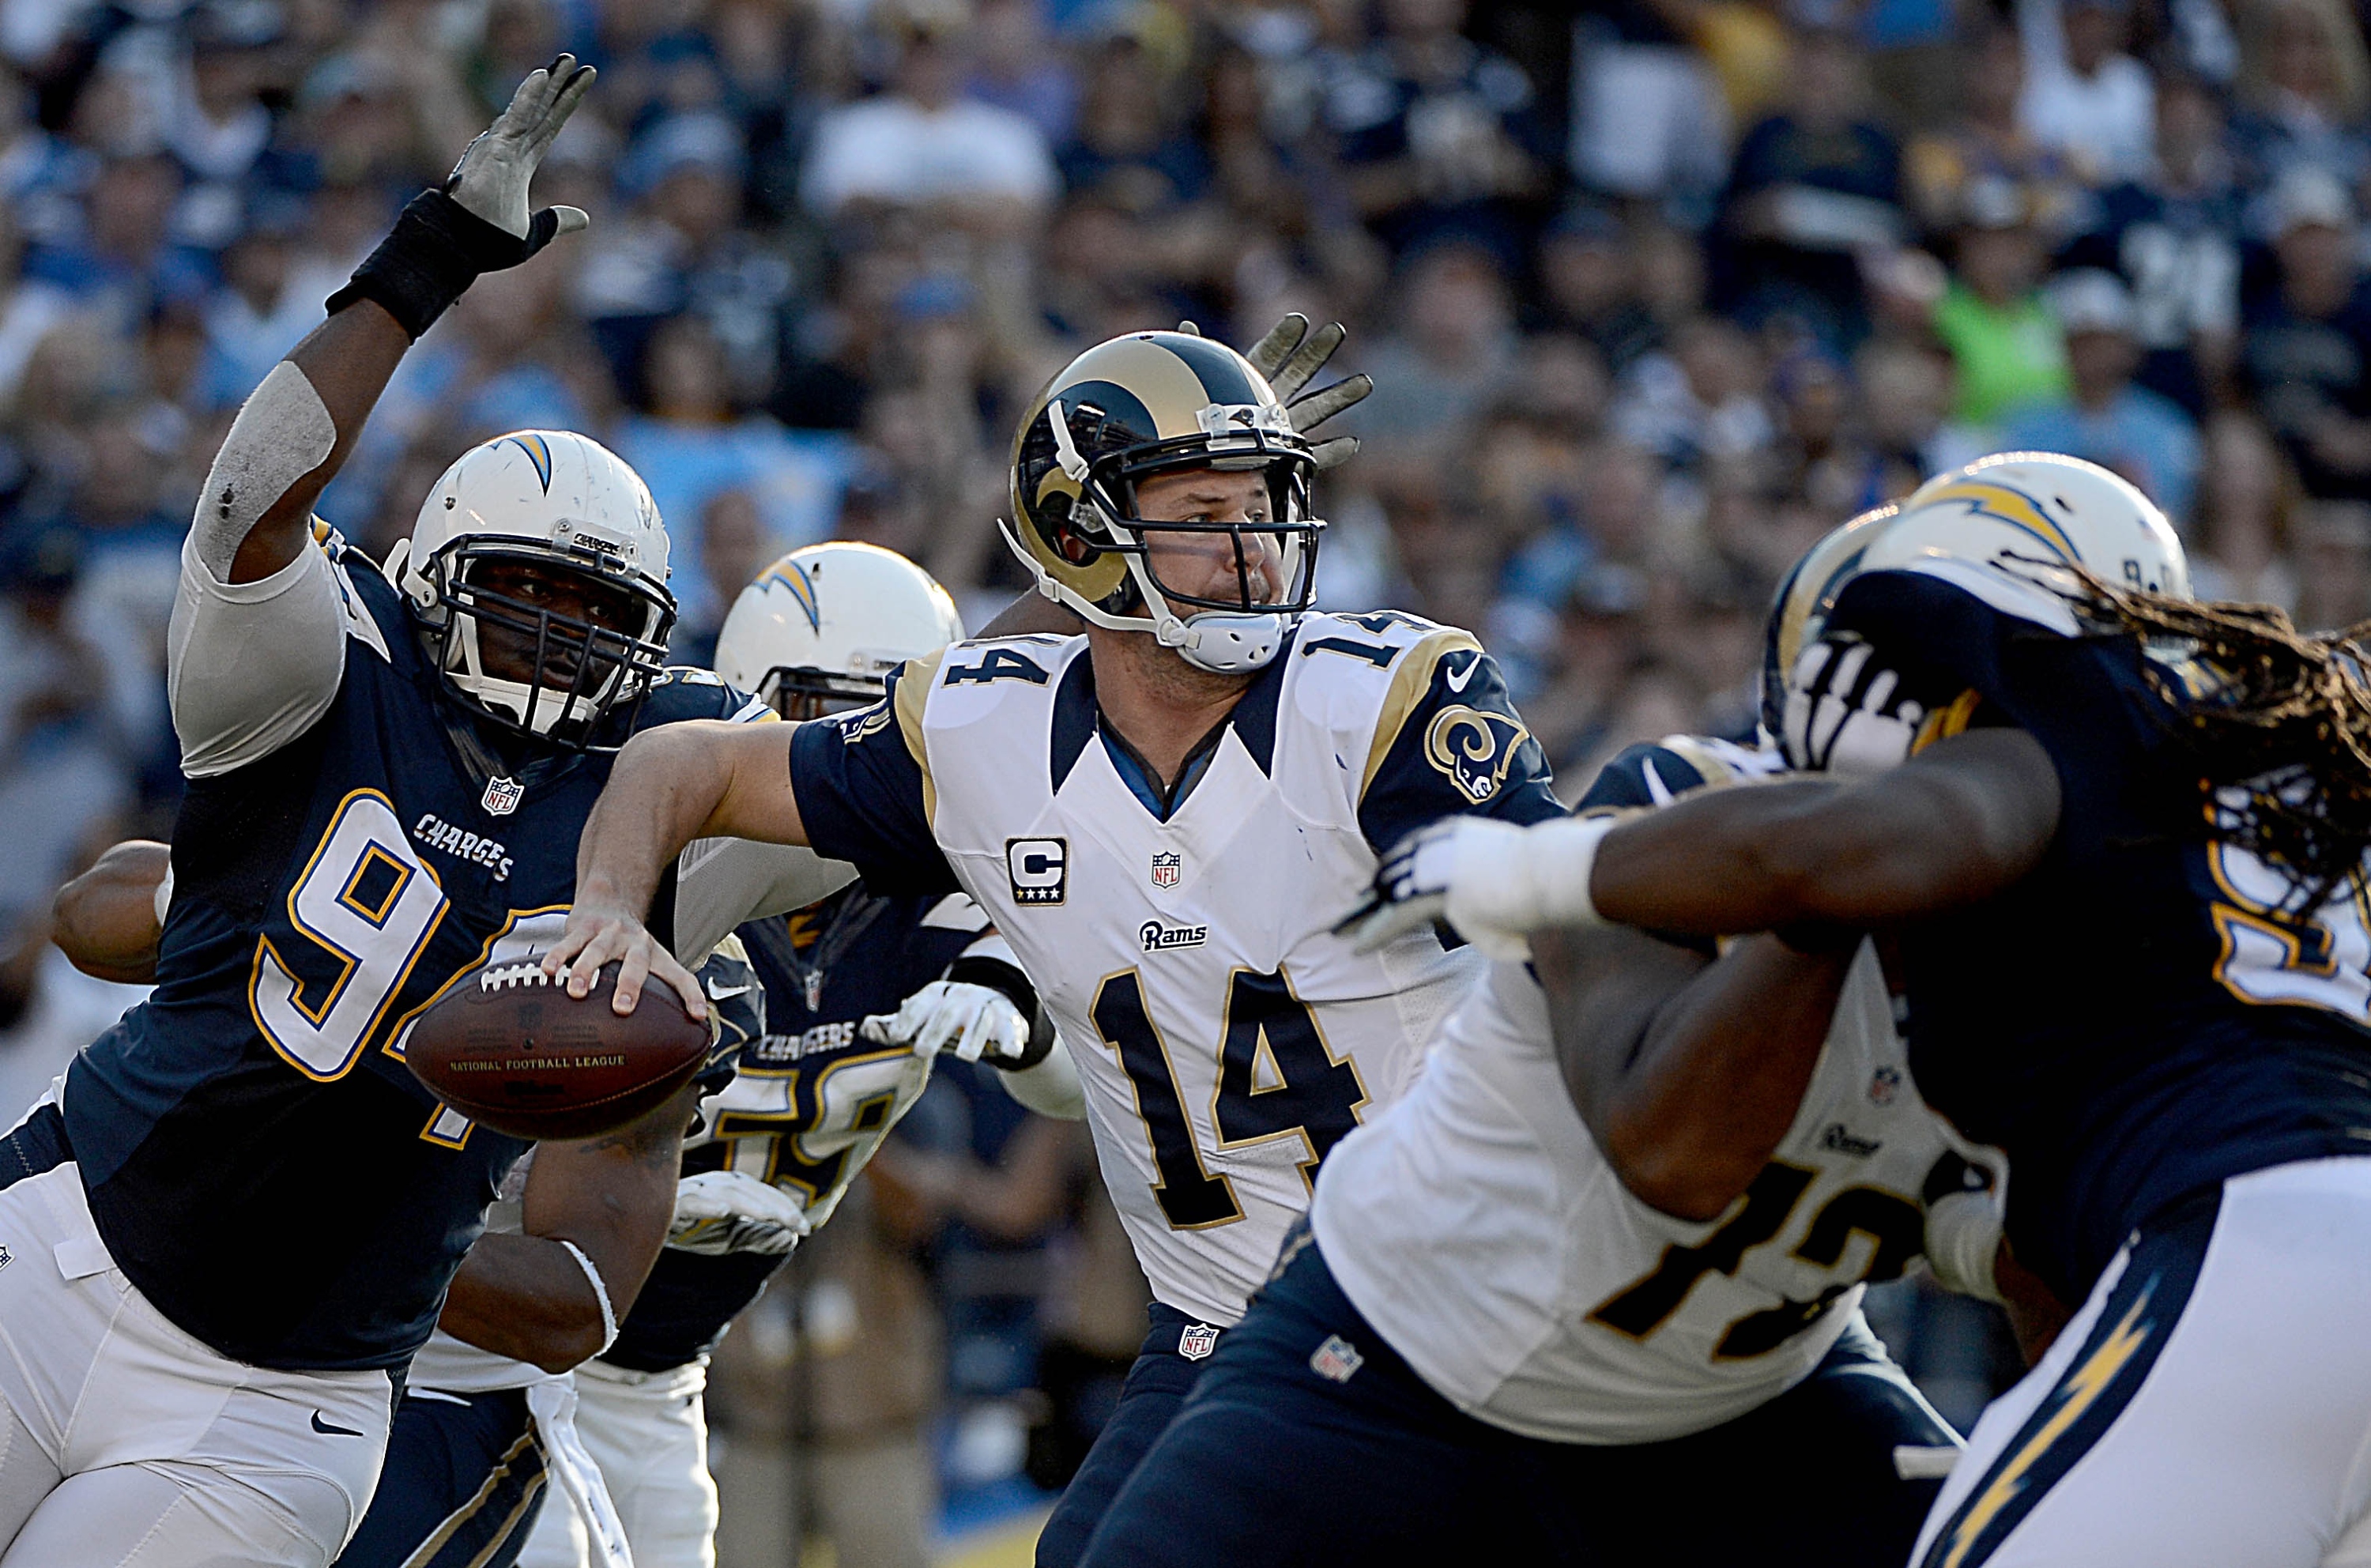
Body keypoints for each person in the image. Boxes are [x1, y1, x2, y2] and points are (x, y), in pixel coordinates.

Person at [0, 61, 848, 1568]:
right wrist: (429, 257)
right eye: (521, 599)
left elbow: (924, 771)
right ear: (435, 572)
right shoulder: (334, 660)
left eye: (592, 616)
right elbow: (249, 492)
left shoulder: (674, 774)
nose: (554, 645)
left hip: (285, 1400)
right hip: (69, 1247)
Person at [539, 326, 1567, 1567]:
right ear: (1084, 538)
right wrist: (609, 902)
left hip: (1461, 1299)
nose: (1253, 554)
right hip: (1218, 1330)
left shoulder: (1385, 698)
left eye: (1263, 509)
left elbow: (1577, 933)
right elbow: (678, 760)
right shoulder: (984, 735)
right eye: (1203, 514)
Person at [1353, 451, 2371, 1567]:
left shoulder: (2067, 739)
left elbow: (1869, 846)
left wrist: (1539, 873)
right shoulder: (2269, 768)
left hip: (2257, 1251)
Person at [1076, 710, 2022, 1566]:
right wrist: (1823, 901)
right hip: (1407, 1360)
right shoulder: (1675, 814)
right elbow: (1671, 1156)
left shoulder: (2095, 959)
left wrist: (2001, 1230)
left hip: (1749, 1400)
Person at [516, 541, 1086, 1568]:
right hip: (530, 1342)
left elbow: (1061, 1084)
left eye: (890, 726)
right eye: (830, 714)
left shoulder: (935, 890)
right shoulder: (679, 877)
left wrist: (1026, 1020)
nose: (859, 754)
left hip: (667, 1376)